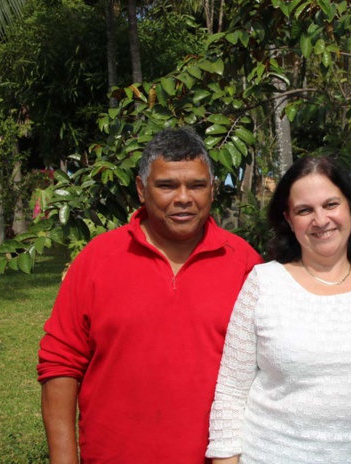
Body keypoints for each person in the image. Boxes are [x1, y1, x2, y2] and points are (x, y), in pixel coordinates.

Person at [37, 127, 263, 463]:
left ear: (212, 190)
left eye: (197, 185)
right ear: (142, 190)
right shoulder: (99, 259)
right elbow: (60, 363)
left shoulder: (245, 264)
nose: (184, 198)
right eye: (167, 185)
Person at [205, 156, 351, 464]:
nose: (320, 220)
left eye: (331, 204)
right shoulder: (263, 283)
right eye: (304, 210)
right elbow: (230, 394)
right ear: (288, 220)